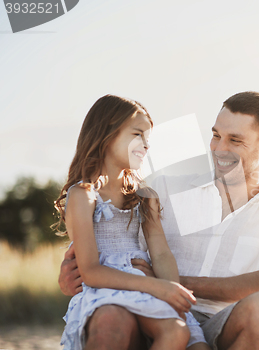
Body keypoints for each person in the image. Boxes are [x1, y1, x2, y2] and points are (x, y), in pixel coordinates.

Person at [59, 91, 259, 350]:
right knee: (111, 320)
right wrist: (72, 277)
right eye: (216, 135)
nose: (220, 148)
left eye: (235, 140)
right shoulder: (162, 189)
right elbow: (105, 248)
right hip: (147, 313)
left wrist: (171, 285)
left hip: (220, 323)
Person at [54, 95, 209, 350]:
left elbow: (160, 253)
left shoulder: (144, 196)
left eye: (148, 139)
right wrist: (156, 287)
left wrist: (172, 292)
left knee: (178, 332)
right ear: (107, 133)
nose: (145, 145)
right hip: (105, 287)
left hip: (148, 288)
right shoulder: (83, 195)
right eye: (138, 134)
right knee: (110, 327)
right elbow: (91, 272)